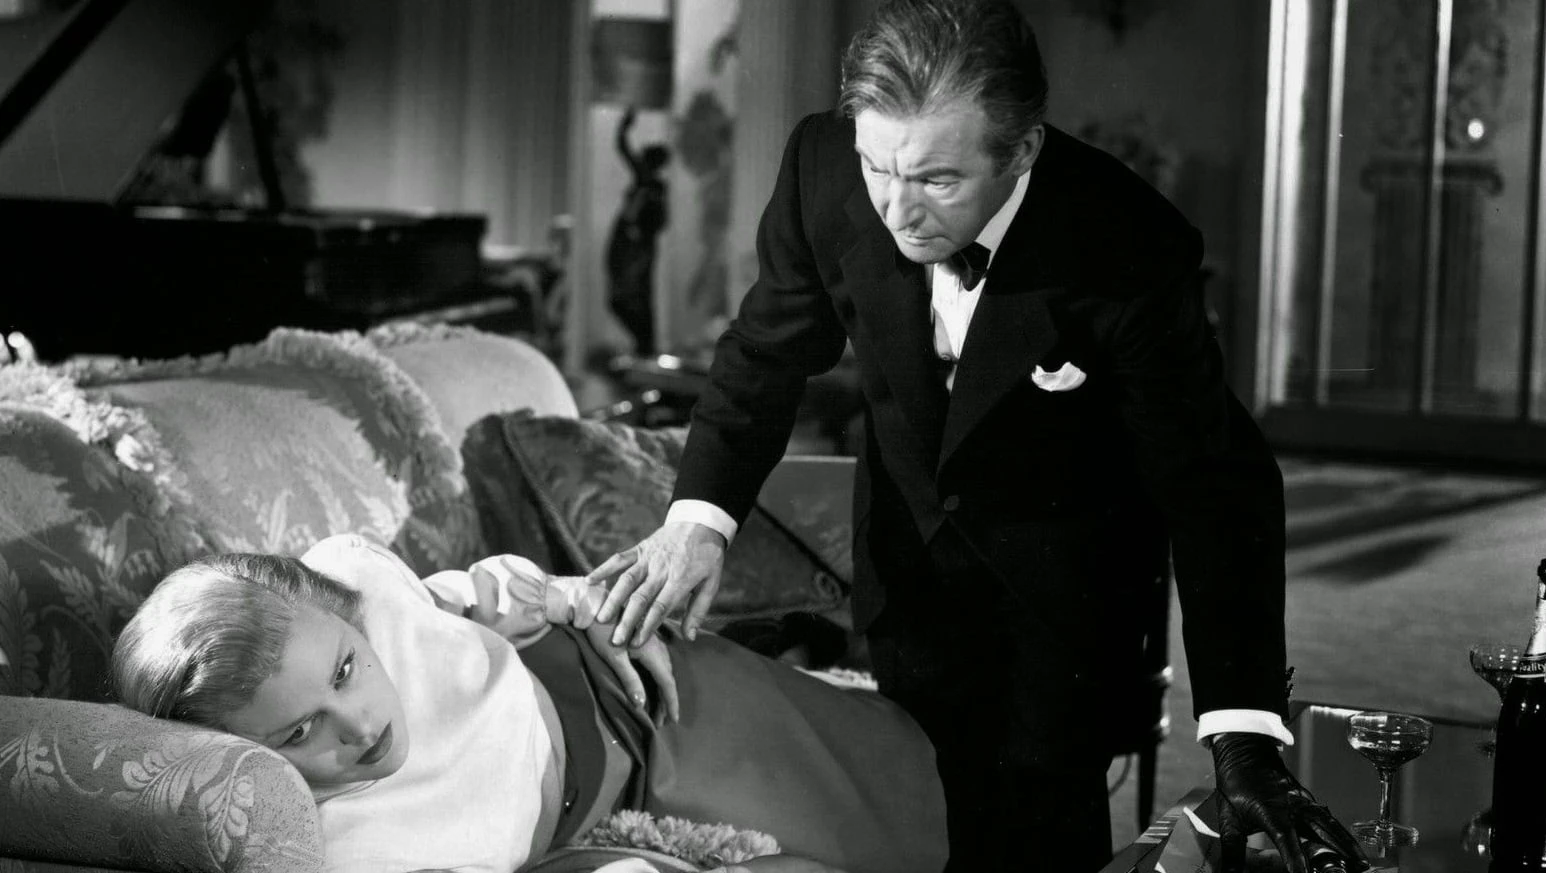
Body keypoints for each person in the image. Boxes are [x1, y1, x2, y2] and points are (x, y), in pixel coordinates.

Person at [585, 1, 1369, 871]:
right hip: (907, 572)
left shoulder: (1128, 245)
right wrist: (697, 521)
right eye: (879, 167)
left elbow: (1214, 482)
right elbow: (765, 355)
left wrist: (1243, 733)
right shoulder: (823, 165)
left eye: (937, 181)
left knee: (1037, 847)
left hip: (1065, 608)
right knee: (900, 830)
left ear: (1021, 151)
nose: (896, 210)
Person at [109, 534, 947, 873]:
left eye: (346, 669)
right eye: (300, 731)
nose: (359, 724)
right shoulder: (326, 848)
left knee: (903, 789)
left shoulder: (357, 585)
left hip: (612, 690)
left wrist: (576, 600)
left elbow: (471, 592)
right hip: (585, 835)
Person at [606, 107, 671, 355]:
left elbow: (660, 221)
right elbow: (623, 147)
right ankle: (644, 345)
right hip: (633, 245)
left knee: (633, 296)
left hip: (637, 247)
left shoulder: (652, 185)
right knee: (631, 297)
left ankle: (645, 346)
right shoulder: (650, 184)